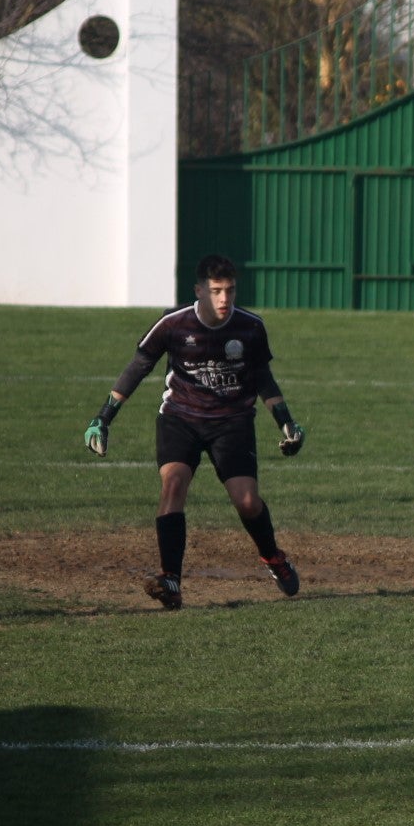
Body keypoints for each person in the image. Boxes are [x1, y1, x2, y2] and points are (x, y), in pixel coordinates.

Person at [83, 254, 305, 608]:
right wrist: (103, 417)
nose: (224, 300)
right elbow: (140, 364)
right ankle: (170, 580)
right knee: (173, 485)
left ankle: (273, 558)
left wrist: (286, 421)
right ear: (199, 289)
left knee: (247, 502)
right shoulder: (174, 324)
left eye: (230, 291)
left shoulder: (250, 327)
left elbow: (263, 377)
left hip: (232, 421)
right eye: (216, 291)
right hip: (180, 418)